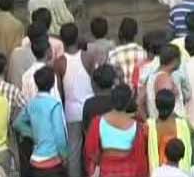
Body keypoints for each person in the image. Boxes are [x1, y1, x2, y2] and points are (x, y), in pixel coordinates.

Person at [53, 23, 95, 177]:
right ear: (77, 38)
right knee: (92, 147)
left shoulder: (59, 63)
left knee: (74, 150)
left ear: (62, 40)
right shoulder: (87, 56)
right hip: (90, 109)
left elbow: (59, 90)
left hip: (71, 111)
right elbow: (94, 82)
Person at [14, 66, 69, 177]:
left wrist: (33, 133)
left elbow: (17, 123)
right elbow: (59, 135)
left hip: (35, 161)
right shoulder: (54, 105)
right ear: (53, 83)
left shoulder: (32, 103)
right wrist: (64, 155)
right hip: (52, 161)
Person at [84, 83, 149, 177]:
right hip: (129, 172)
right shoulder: (137, 126)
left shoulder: (98, 122)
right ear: (128, 102)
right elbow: (141, 159)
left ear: (112, 99)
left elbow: (90, 151)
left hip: (106, 171)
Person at [147, 89, 193, 174]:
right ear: (173, 106)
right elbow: (188, 151)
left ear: (156, 105)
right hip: (179, 171)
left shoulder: (149, 126)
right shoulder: (182, 124)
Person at [140, 44, 187, 120]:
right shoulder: (164, 79)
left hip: (159, 125)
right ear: (175, 60)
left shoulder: (152, 76)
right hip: (170, 128)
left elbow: (140, 101)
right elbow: (166, 108)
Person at [108, 17, 146, 89]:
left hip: (121, 95)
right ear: (136, 33)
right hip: (139, 94)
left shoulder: (113, 54)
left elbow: (111, 79)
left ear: (120, 32)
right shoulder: (144, 52)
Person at [22, 35, 60, 102]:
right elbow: (56, 98)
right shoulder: (50, 73)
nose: (52, 51)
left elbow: (25, 99)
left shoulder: (26, 75)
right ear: (47, 52)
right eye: (51, 49)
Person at [82, 64, 117, 133]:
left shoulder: (89, 104)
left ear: (95, 84)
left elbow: (86, 130)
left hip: (95, 141)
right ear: (114, 82)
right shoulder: (121, 101)